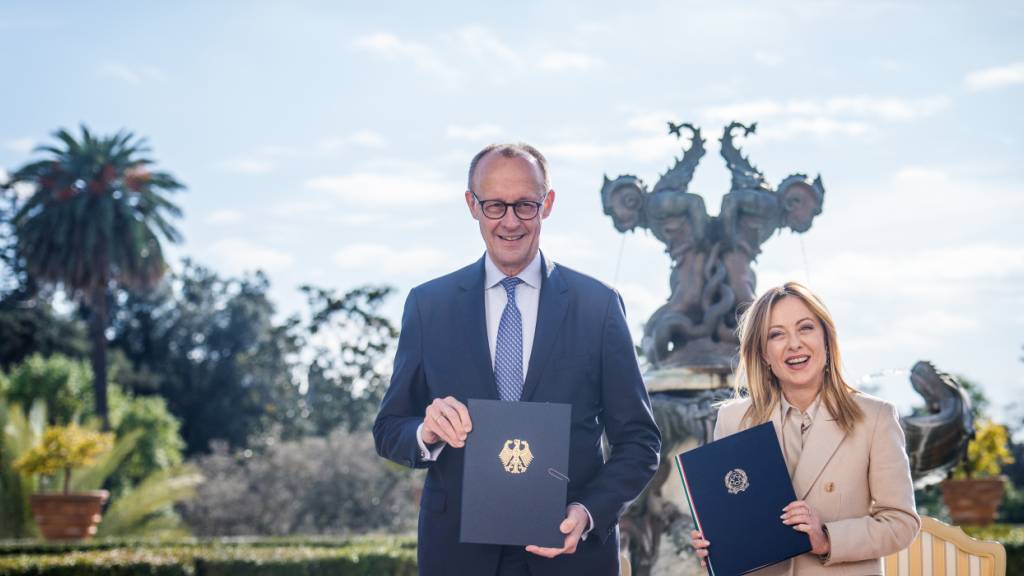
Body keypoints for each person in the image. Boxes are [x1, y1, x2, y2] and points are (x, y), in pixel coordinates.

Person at [374, 143, 662, 576]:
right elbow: (389, 428)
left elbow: (639, 442)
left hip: (571, 557)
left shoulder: (598, 307)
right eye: (495, 205)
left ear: (547, 204)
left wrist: (587, 513)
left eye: (525, 205)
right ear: (472, 206)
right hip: (457, 555)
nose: (510, 221)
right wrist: (426, 431)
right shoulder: (428, 306)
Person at [691, 282, 919, 575]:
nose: (794, 343)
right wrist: (714, 544)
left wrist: (826, 538)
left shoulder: (875, 417)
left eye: (806, 328)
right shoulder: (733, 419)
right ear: (763, 354)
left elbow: (901, 523)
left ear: (826, 338)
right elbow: (731, 516)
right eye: (776, 334)